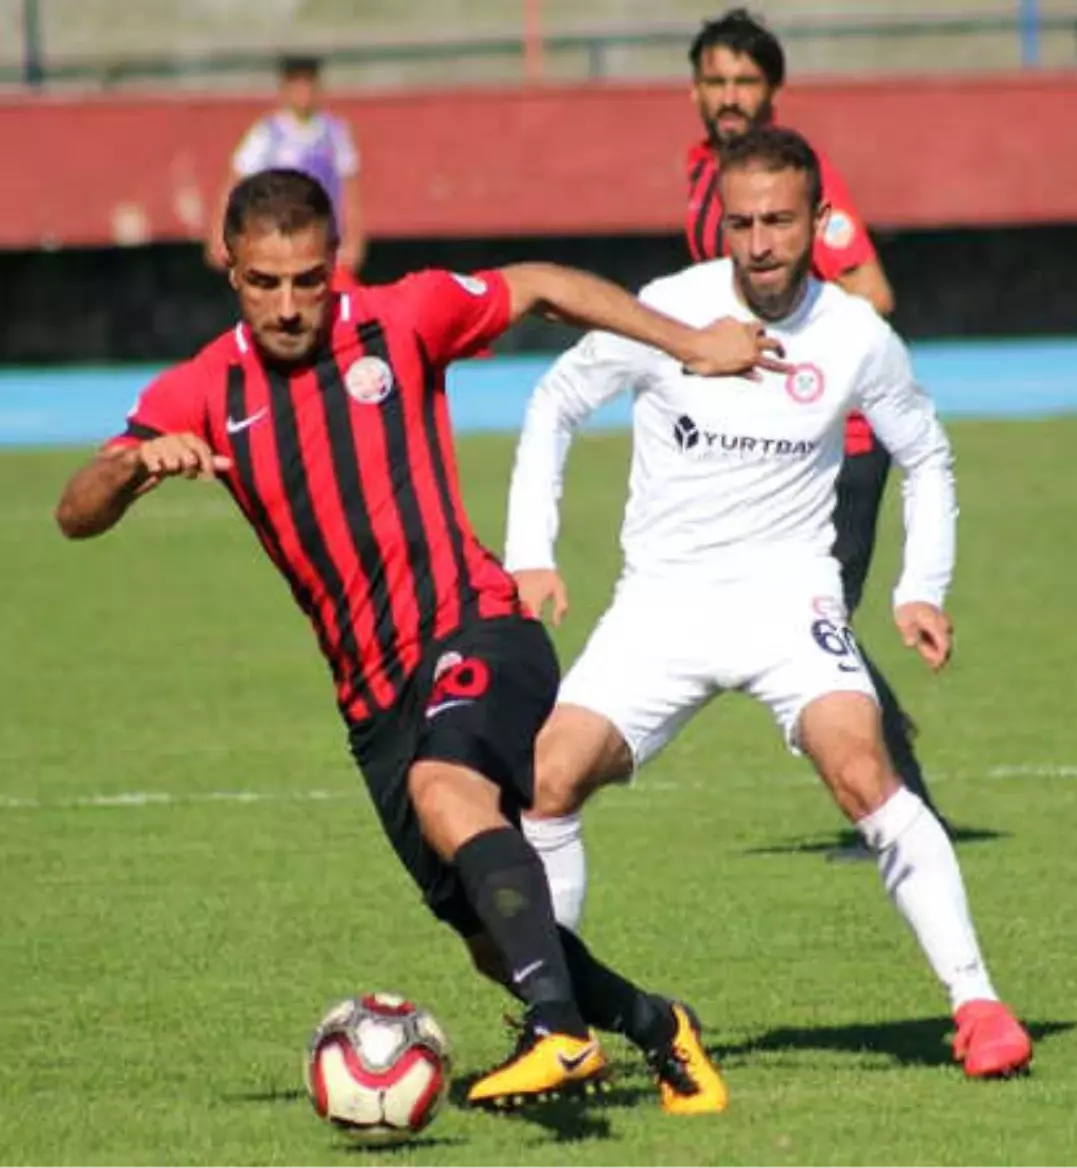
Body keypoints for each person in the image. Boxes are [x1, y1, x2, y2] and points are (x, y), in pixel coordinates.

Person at [56, 169, 784, 1111]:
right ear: (230, 272)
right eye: (265, 282)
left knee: (448, 791)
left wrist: (692, 344)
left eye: (308, 279)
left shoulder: (401, 319)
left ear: (337, 263)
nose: (289, 305)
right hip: (372, 702)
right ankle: (659, 1028)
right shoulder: (203, 386)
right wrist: (131, 467)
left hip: (475, 623)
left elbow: (543, 286)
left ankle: (560, 1036)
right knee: (494, 941)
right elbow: (75, 515)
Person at [505, 127, 1033, 1079]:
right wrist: (531, 554)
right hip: (660, 605)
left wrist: (922, 588)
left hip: (790, 602)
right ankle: (555, 1027)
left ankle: (980, 1006)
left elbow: (926, 453)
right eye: (741, 222)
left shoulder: (858, 337)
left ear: (819, 221)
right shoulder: (666, 311)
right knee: (547, 781)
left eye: (779, 221)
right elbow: (553, 404)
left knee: (862, 770)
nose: (758, 243)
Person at [681, 8, 946, 857]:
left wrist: (792, 347)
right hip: (771, 443)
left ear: (773, 91)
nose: (729, 98)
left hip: (844, 442)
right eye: (716, 81)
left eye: (745, 82)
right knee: (810, 617)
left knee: (812, 621)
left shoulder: (802, 181)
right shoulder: (704, 176)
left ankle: (903, 809)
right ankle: (893, 781)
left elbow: (873, 289)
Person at [206, 56, 366, 275]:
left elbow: (350, 191)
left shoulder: (334, 134)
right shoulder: (267, 134)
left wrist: (355, 240)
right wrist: (219, 234)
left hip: (321, 242)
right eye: (297, 85)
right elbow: (235, 183)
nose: (303, 93)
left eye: (308, 84)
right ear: (285, 89)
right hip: (276, 242)